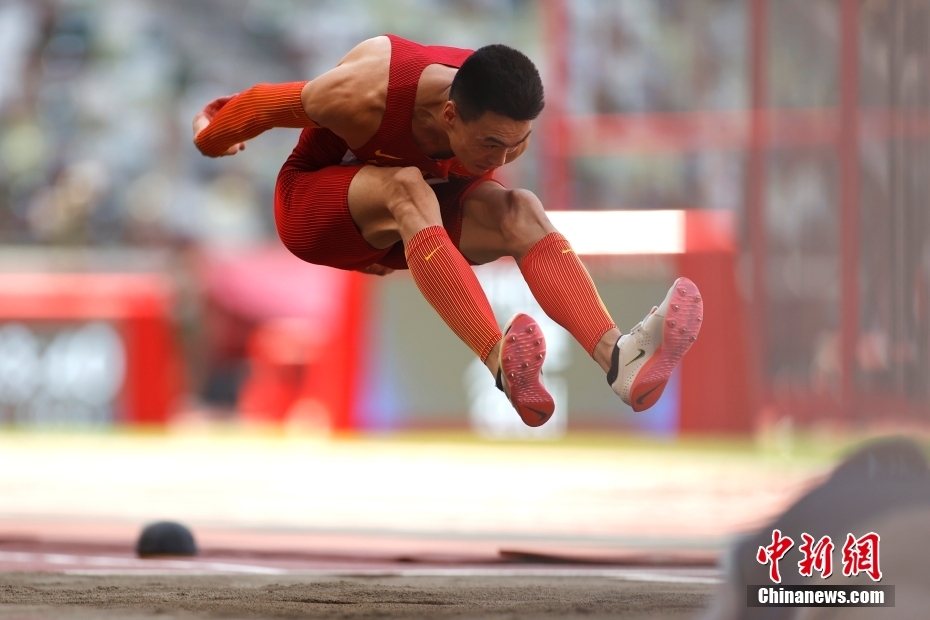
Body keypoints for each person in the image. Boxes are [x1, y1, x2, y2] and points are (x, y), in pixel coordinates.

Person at [192, 34, 703, 427]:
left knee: (520, 208)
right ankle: (500, 359)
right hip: (314, 213)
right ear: (450, 114)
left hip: (414, 231)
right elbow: (263, 103)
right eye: (491, 144)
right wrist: (213, 137)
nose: (501, 158)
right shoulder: (365, 92)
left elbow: (489, 171)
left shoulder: (496, 116)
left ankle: (622, 358)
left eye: (518, 144)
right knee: (406, 186)